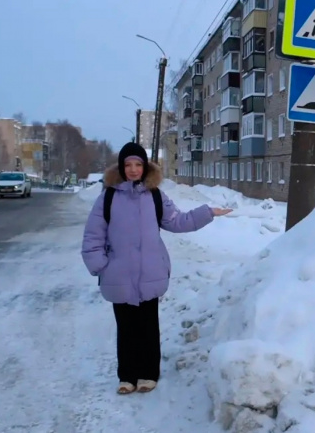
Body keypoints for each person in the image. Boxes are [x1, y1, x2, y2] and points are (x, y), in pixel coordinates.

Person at [81, 142, 232, 395]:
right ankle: (127, 376)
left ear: (145, 167)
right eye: (128, 165)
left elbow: (178, 221)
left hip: (150, 274)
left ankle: (148, 374)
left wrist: (208, 212)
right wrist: (100, 266)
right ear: (121, 167)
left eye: (137, 164)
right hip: (118, 275)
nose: (132, 170)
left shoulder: (155, 196)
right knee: (126, 328)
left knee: (148, 327)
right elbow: (93, 236)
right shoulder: (107, 198)